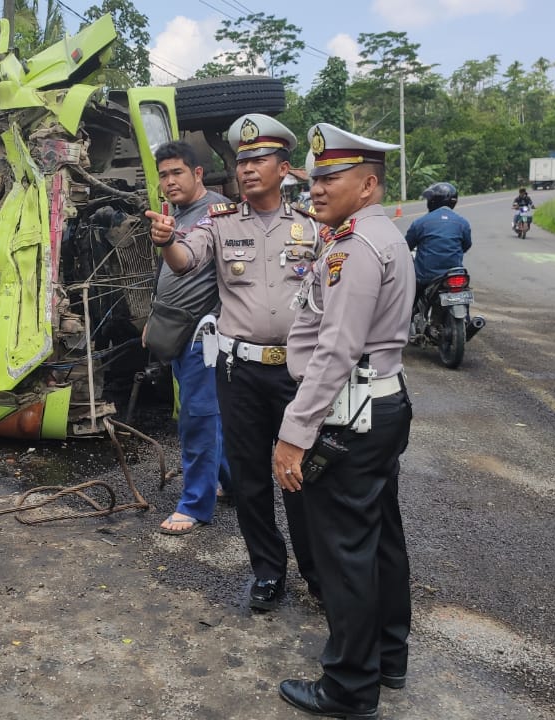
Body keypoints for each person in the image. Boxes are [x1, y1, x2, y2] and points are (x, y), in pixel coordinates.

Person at [146, 114, 320, 611]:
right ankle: (268, 572)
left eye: (258, 160)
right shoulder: (218, 224)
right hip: (238, 369)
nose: (247, 169)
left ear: (283, 168)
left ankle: (315, 572)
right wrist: (165, 242)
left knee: (301, 475)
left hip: (295, 372)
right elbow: (185, 259)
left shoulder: (311, 226)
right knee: (249, 478)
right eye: (241, 161)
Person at [271, 122, 415, 720]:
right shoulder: (374, 236)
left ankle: (350, 689)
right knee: (379, 536)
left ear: (369, 184)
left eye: (333, 177)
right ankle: (388, 657)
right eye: (317, 176)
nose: (319, 187)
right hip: (380, 404)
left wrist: (293, 434)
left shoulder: (357, 245)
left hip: (348, 413)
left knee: (345, 552)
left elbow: (335, 350)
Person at [146, 141, 232, 535]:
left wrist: (167, 242)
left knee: (198, 419)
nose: (169, 181)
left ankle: (196, 504)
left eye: (177, 172)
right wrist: (154, 316)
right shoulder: (176, 215)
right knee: (207, 416)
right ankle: (230, 483)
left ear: (197, 173)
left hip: (204, 334)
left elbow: (186, 263)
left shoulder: (216, 212)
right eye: (163, 174)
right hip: (176, 329)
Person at [406, 181, 471, 295]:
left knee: (410, 299)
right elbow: (466, 245)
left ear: (433, 201)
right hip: (454, 275)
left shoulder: (420, 222)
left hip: (426, 277)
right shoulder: (462, 222)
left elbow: (406, 246)